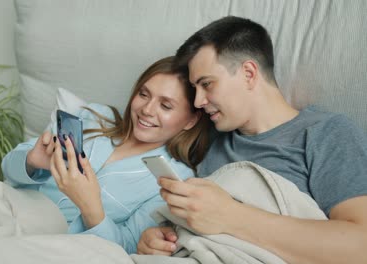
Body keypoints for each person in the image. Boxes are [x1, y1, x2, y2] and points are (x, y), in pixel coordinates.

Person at [137, 16, 367, 263]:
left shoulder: (325, 133)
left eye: (207, 84)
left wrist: (232, 216)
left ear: (248, 73)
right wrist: (158, 239)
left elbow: (360, 246)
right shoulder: (212, 140)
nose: (198, 102)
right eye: (195, 89)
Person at [2, 56, 212, 254]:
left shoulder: (174, 179)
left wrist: (90, 206)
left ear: (190, 121)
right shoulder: (94, 118)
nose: (147, 109)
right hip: (8, 209)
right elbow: (7, 168)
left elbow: (128, 246)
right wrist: (31, 161)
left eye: (165, 105)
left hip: (53, 245)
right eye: (143, 94)